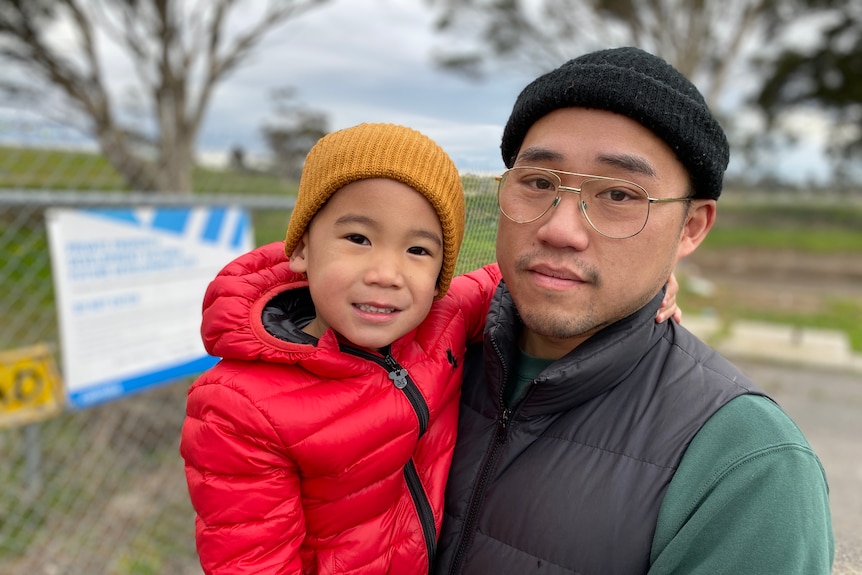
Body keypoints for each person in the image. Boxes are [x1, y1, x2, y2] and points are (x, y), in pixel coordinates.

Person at [181, 121, 680, 574]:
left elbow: (512, 281)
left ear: (441, 274)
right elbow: (251, 563)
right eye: (358, 237)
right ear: (303, 249)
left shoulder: (442, 322)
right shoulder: (238, 407)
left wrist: (642, 280)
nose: (386, 274)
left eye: (419, 250)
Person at [432, 47, 834, 575]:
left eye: (619, 195)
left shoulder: (746, 467)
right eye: (538, 183)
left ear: (691, 227)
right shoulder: (410, 354)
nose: (560, 229)